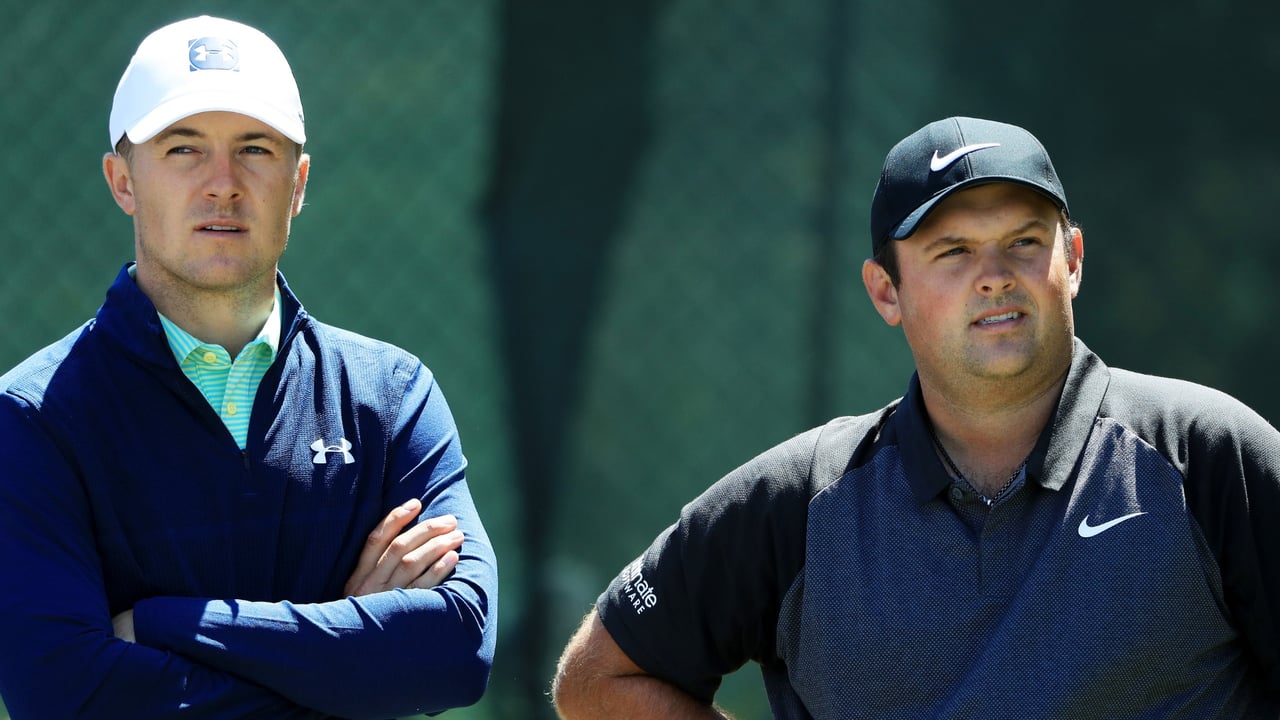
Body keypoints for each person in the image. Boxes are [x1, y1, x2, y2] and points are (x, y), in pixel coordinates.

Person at [551, 116, 1280, 718]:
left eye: (1024, 241)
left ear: (1074, 258)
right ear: (885, 292)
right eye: (953, 251)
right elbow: (598, 682)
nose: (995, 274)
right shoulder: (804, 501)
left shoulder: (1208, 456)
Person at [0, 15, 497, 719]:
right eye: (183, 149)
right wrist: (347, 647)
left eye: (255, 148)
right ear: (122, 181)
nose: (223, 183)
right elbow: (65, 693)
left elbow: (455, 652)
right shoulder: (30, 417)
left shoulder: (391, 395)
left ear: (297, 183)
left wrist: (159, 624)